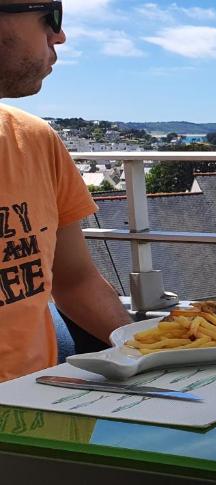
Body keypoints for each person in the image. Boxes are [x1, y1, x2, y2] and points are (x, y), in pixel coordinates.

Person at [0, 1, 130, 382]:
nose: (60, 34)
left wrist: (144, 351)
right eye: (51, 15)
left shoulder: (36, 140)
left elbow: (74, 280)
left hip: (41, 404)